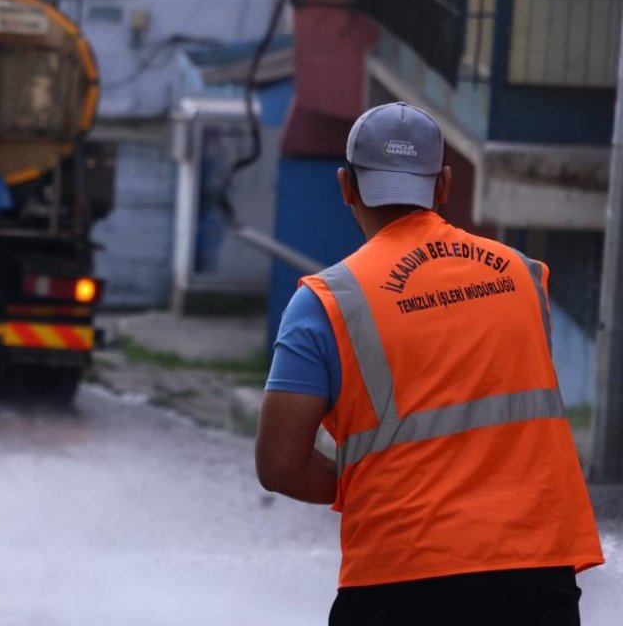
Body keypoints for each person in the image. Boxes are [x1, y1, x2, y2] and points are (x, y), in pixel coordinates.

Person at [255, 102, 604, 625]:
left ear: (346, 186)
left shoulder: (326, 302)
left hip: (402, 577)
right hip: (536, 572)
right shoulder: (524, 278)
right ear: (442, 185)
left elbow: (279, 464)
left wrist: (374, 487)